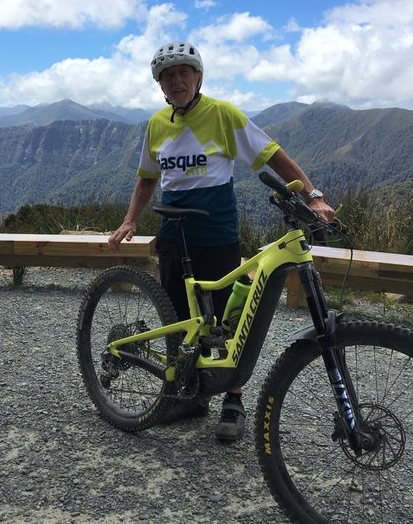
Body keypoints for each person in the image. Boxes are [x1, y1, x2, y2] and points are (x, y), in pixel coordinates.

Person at [108, 41, 335, 442]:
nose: (176, 80)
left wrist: (312, 196)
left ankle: (233, 400)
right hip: (173, 231)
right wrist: (129, 220)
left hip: (217, 231)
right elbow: (147, 178)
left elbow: (272, 155)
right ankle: (186, 396)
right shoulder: (157, 123)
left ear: (198, 77)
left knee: (228, 321)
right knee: (179, 318)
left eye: (184, 72)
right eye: (167, 75)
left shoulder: (223, 114)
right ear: (160, 84)